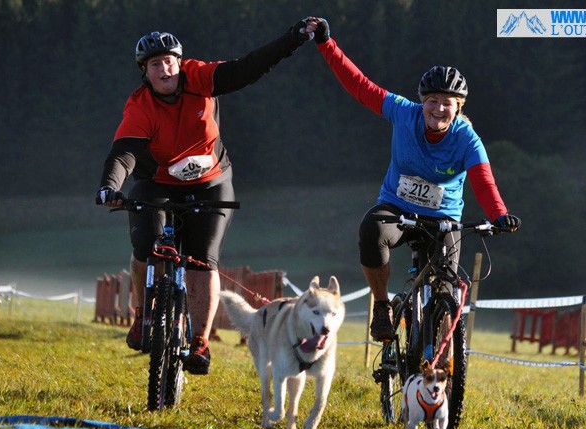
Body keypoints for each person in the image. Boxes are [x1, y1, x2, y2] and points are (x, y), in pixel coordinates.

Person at [96, 18, 320, 375]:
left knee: (202, 260)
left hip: (210, 181)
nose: (165, 68)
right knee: (144, 247)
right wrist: (110, 185)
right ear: (145, 72)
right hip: (157, 183)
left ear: (180, 62)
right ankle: (141, 314)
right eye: (156, 64)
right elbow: (124, 154)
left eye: (170, 60)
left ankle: (199, 341)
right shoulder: (140, 105)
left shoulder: (200, 77)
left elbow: (248, 68)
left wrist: (292, 38)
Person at [307, 18, 521, 341]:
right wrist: (326, 44)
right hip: (397, 208)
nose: (438, 108)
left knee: (447, 297)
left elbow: (483, 181)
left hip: (444, 219)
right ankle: (382, 307)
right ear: (422, 102)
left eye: (447, 103)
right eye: (432, 101)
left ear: (458, 108)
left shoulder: (467, 138)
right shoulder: (403, 113)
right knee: (371, 229)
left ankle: (441, 370)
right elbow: (360, 86)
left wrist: (499, 215)